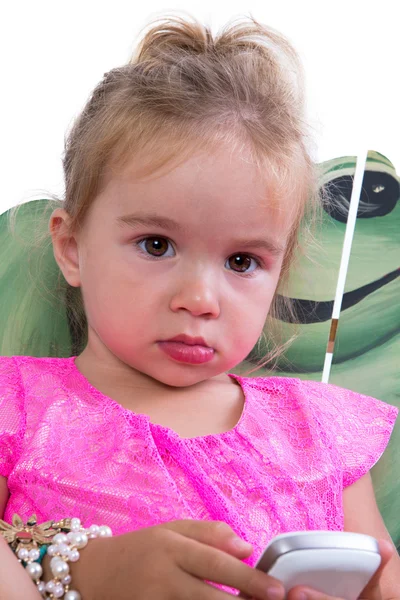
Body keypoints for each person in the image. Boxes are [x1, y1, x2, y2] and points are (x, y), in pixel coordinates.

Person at [0, 13, 399, 600]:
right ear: (71, 248)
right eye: (155, 245)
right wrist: (81, 567)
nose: (200, 300)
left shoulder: (323, 432)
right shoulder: (18, 408)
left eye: (242, 262)